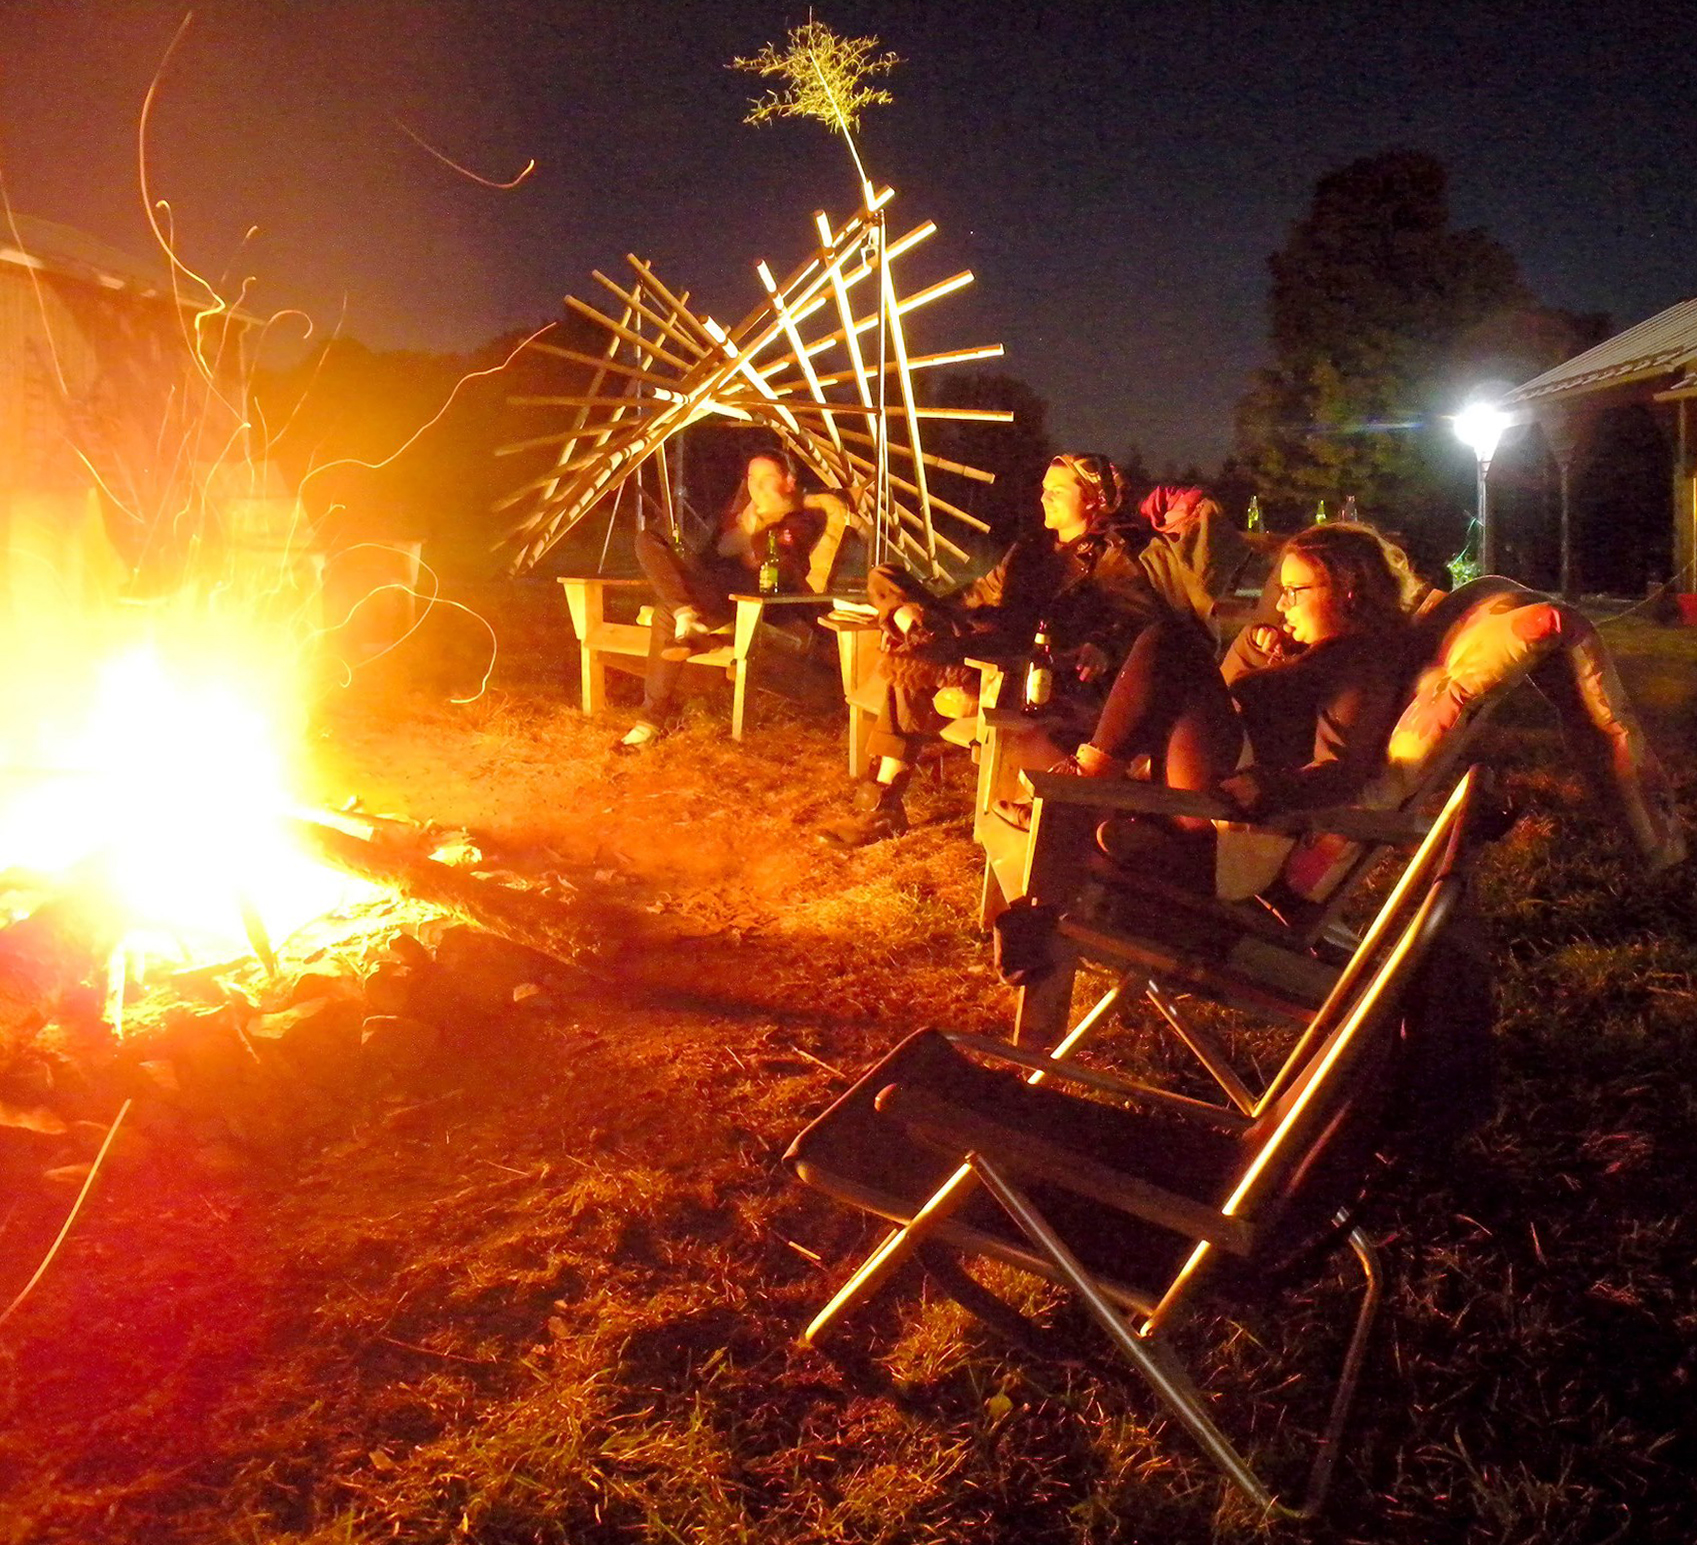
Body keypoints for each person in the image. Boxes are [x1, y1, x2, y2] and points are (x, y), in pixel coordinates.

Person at [819, 453, 1191, 847]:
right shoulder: (1031, 549)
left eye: (1057, 492)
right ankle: (922, 638)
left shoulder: (1115, 554)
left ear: (1093, 500)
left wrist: (1102, 645)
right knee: (888, 579)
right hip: (988, 646)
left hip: (1036, 672)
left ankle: (884, 805)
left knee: (915, 658)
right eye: (1044, 489)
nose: (1044, 498)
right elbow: (980, 593)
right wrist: (922, 609)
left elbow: (1138, 617)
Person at [1029, 521, 1422, 887]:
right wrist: (1257, 652)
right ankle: (1099, 801)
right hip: (1217, 800)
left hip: (1237, 832)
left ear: (1347, 590)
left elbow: (1342, 771)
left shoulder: (1363, 665)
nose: (1283, 606)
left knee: (1174, 641)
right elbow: (1229, 689)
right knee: (1160, 664)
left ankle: (1080, 796)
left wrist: (1271, 788)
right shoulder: (1327, 655)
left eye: (1294, 592)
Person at [616, 450, 842, 752]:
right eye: (751, 479)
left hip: (753, 604)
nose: (756, 487)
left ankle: (650, 721)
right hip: (715, 593)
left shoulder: (802, 518)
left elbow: (776, 557)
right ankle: (686, 616)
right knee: (648, 540)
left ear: (788, 482)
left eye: (767, 479)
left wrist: (752, 530)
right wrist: (738, 539)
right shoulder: (736, 517)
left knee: (664, 613)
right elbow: (711, 558)